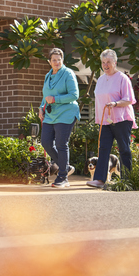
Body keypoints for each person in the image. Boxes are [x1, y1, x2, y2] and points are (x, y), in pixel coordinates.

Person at [86, 49, 137, 188]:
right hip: (105, 120)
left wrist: (115, 103)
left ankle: (127, 179)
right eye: (103, 62)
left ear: (115, 62)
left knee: (124, 149)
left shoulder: (122, 78)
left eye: (108, 62)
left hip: (121, 119)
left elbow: (129, 100)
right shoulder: (101, 79)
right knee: (103, 149)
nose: (105, 65)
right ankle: (100, 180)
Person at [39, 48, 80, 188]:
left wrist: (55, 99)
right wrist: (41, 107)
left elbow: (74, 95)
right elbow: (46, 95)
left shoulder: (68, 73)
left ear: (63, 60)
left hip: (67, 113)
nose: (57, 62)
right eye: (54, 60)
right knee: (46, 142)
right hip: (51, 115)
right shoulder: (48, 76)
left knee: (61, 144)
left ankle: (63, 178)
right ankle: (65, 167)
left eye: (59, 59)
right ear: (49, 62)